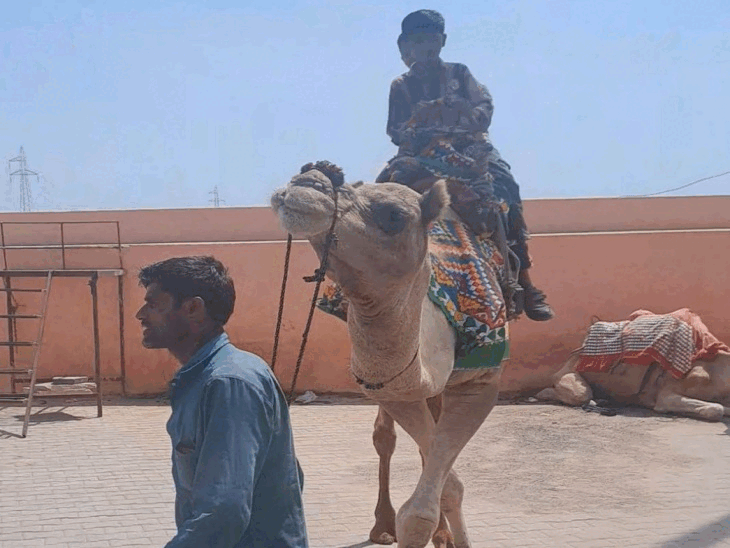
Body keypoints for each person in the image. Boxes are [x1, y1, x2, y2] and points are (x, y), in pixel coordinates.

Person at [377, 9, 555, 321]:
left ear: (442, 42)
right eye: (418, 42)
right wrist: (423, 123)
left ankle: (525, 283)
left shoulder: (460, 75)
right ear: (405, 47)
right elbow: (395, 131)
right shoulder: (401, 86)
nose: (425, 48)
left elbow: (484, 110)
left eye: (432, 41)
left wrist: (454, 111)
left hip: (470, 151)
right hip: (422, 155)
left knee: (506, 190)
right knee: (381, 195)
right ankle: (373, 278)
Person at [135, 256, 308, 548]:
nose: (140, 314)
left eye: (153, 305)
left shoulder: (228, 382)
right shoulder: (205, 377)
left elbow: (223, 513)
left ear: (193, 309)